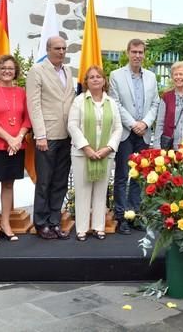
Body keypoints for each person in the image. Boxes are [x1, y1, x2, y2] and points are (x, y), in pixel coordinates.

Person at [26, 36, 76, 240]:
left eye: (64, 48)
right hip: (46, 135)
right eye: (57, 48)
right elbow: (34, 104)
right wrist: (40, 135)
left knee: (60, 181)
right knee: (44, 181)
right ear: (47, 49)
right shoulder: (37, 71)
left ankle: (54, 221)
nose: (62, 51)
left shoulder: (68, 71)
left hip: (67, 134)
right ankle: (40, 223)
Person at [109, 39, 160, 234]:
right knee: (122, 176)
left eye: (140, 52)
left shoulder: (151, 77)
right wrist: (133, 124)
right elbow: (116, 103)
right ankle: (121, 217)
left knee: (139, 177)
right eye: (134, 52)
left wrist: (145, 123)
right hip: (125, 133)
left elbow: (156, 103)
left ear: (144, 54)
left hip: (144, 134)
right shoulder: (116, 75)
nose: (137, 55)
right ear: (127, 52)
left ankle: (135, 215)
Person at [0, 55, 31, 245]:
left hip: (16, 145)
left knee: (9, 185)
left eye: (10, 68)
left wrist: (18, 138)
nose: (7, 71)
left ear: (15, 70)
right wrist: (9, 138)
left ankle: (5, 224)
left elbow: (27, 119)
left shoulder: (21, 92)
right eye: (3, 68)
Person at [68, 66, 123, 242]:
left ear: (104, 80)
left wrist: (108, 147)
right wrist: (87, 148)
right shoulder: (79, 101)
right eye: (91, 77)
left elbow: (118, 128)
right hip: (82, 154)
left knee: (100, 192)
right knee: (83, 192)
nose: (95, 79)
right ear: (86, 82)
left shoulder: (111, 103)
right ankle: (82, 229)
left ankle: (99, 227)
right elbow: (72, 126)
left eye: (98, 76)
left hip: (105, 154)